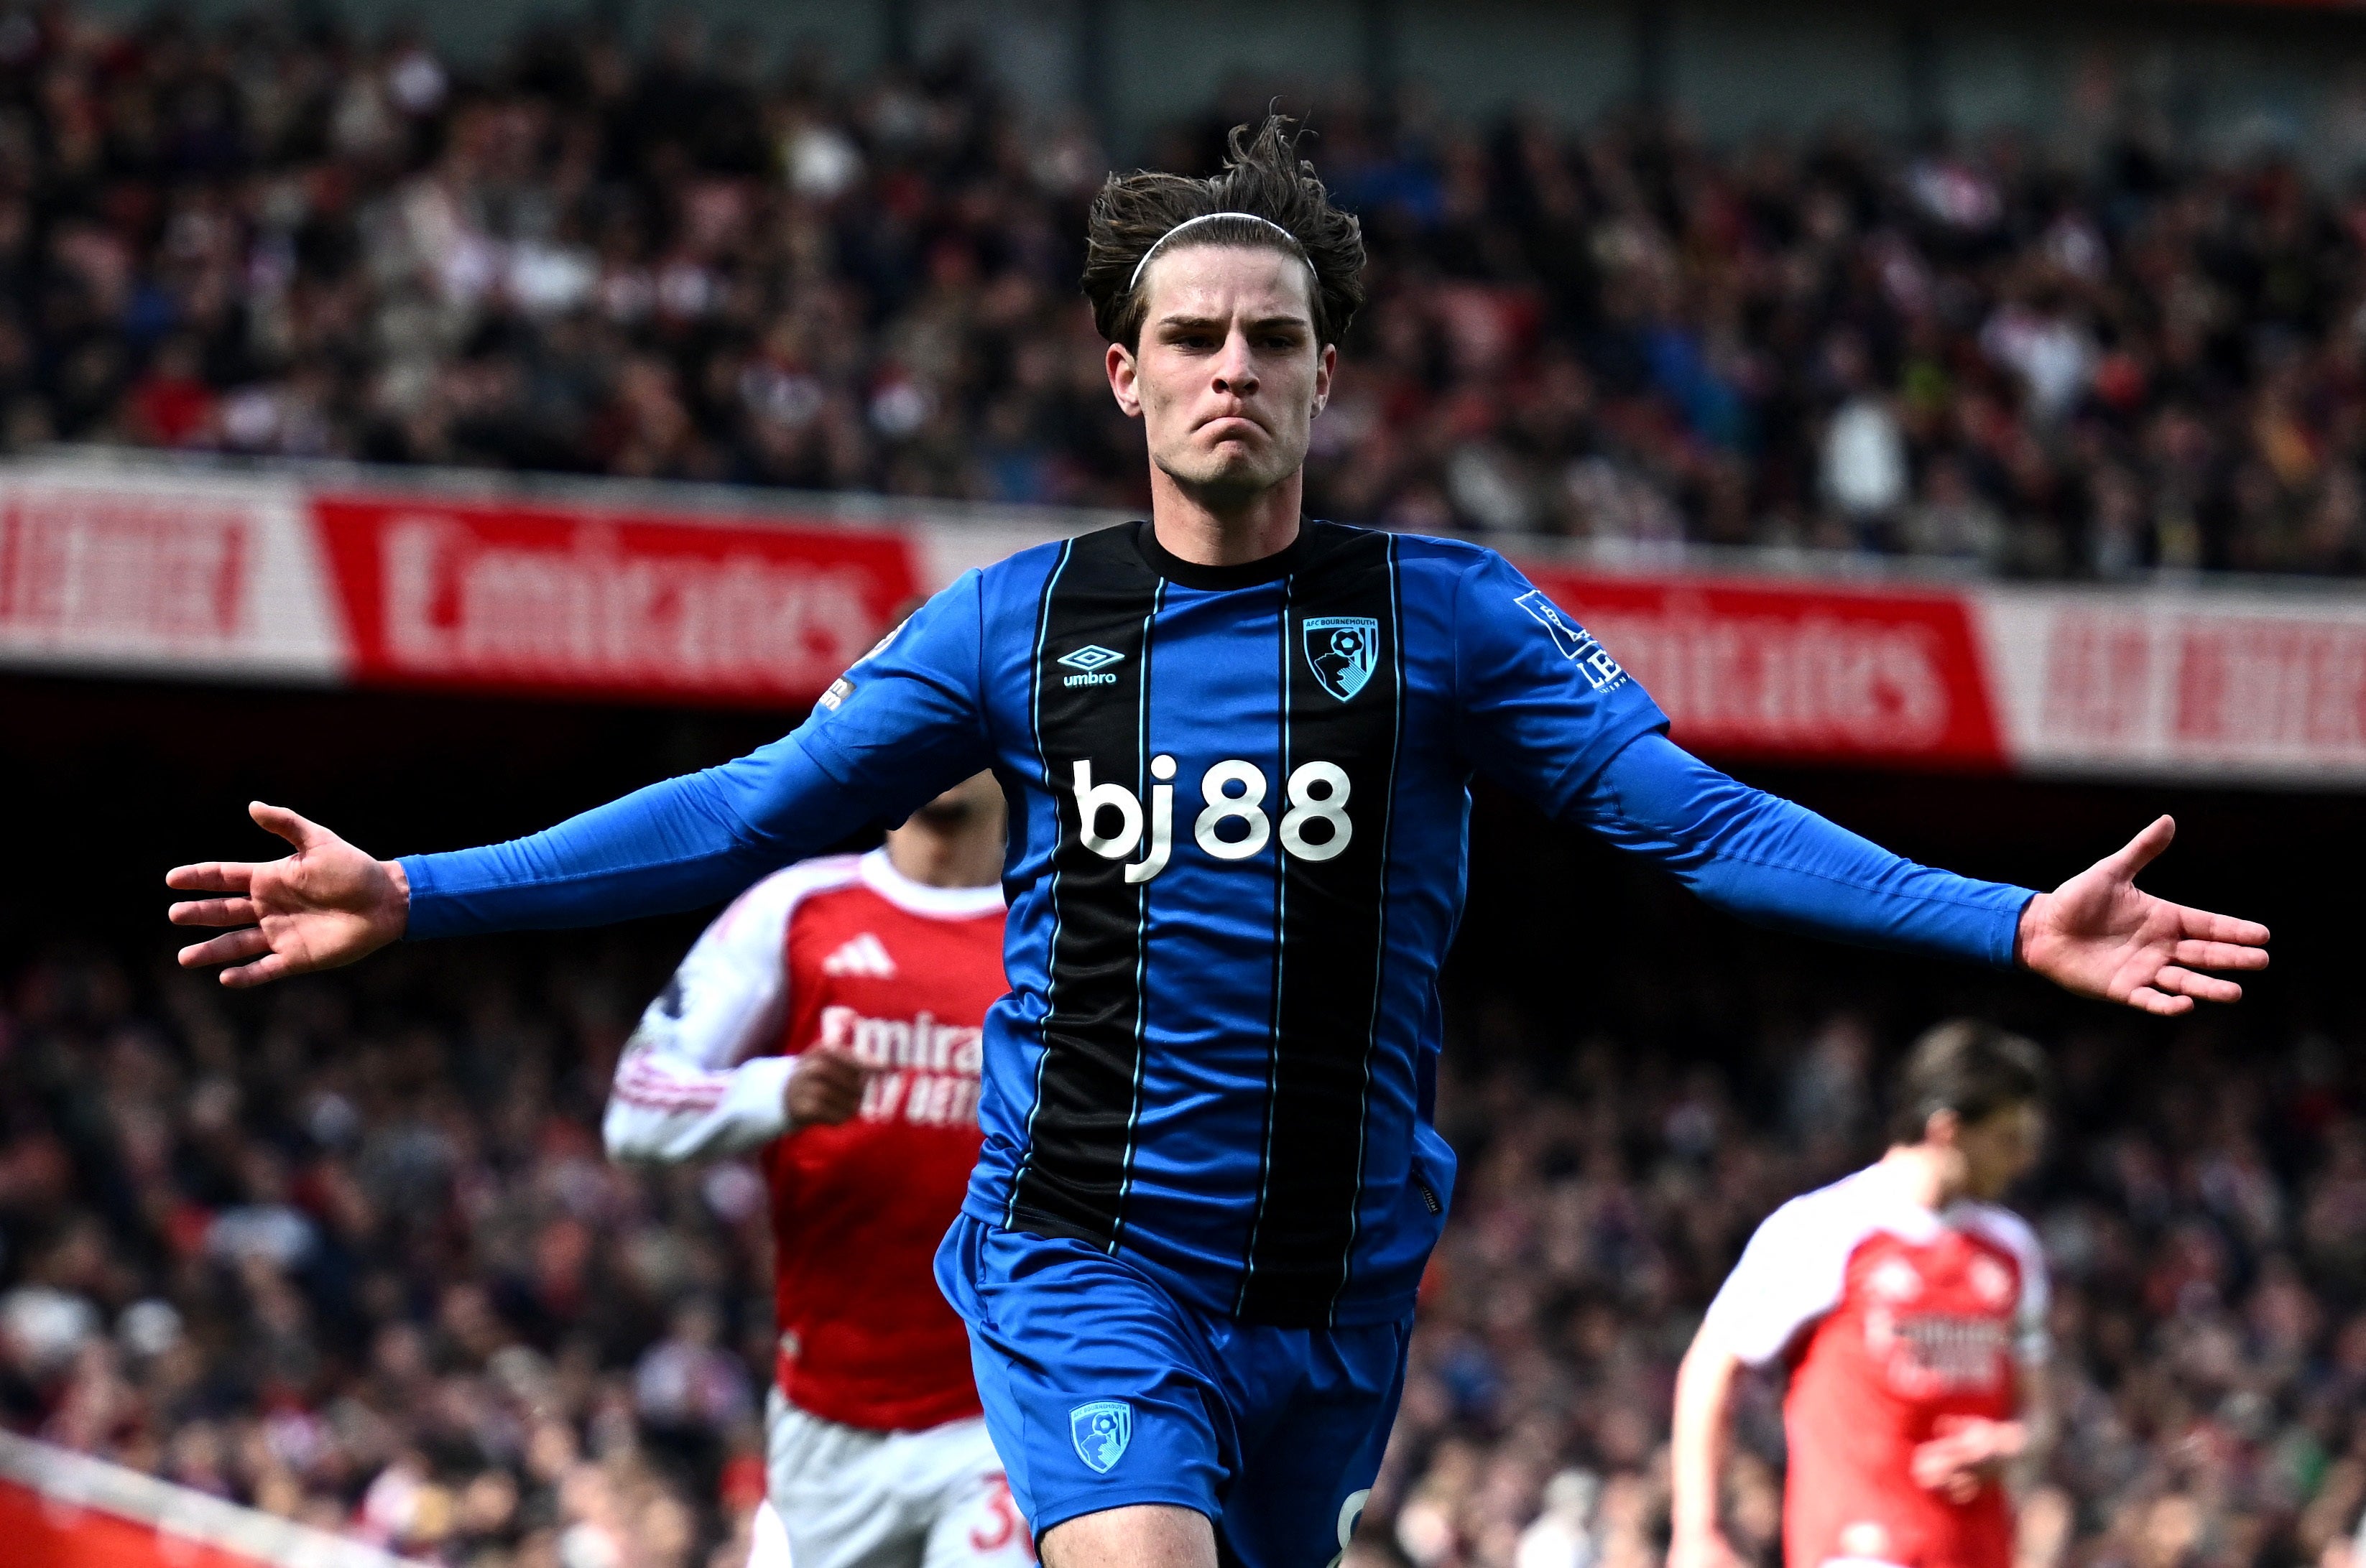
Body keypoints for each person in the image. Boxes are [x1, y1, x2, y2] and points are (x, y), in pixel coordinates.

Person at [165, 118, 2269, 1568]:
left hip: (1334, 1281)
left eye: (1270, 337)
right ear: (1124, 374)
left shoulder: (1445, 619)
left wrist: (2001, 921)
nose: (1232, 368)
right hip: (1087, 1257)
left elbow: (1691, 825)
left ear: (1324, 373)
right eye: (1192, 337)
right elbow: (741, 808)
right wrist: (421, 886)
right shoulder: (1012, 627)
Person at [600, 771, 1030, 1568]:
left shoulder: (1059, 926)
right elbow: (634, 1107)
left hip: (1001, 1410)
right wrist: (774, 1090)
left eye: (968, 718)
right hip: (824, 1420)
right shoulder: (796, 909)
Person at [1668, 1023, 2056, 1568]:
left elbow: (2038, 1412)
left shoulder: (2011, 1248)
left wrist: (2016, 1444)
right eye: (2007, 1139)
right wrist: (1697, 1529)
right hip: (1857, 1547)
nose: (2022, 1160)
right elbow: (1710, 1366)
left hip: (1975, 1548)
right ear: (1946, 1129)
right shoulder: (1824, 1226)